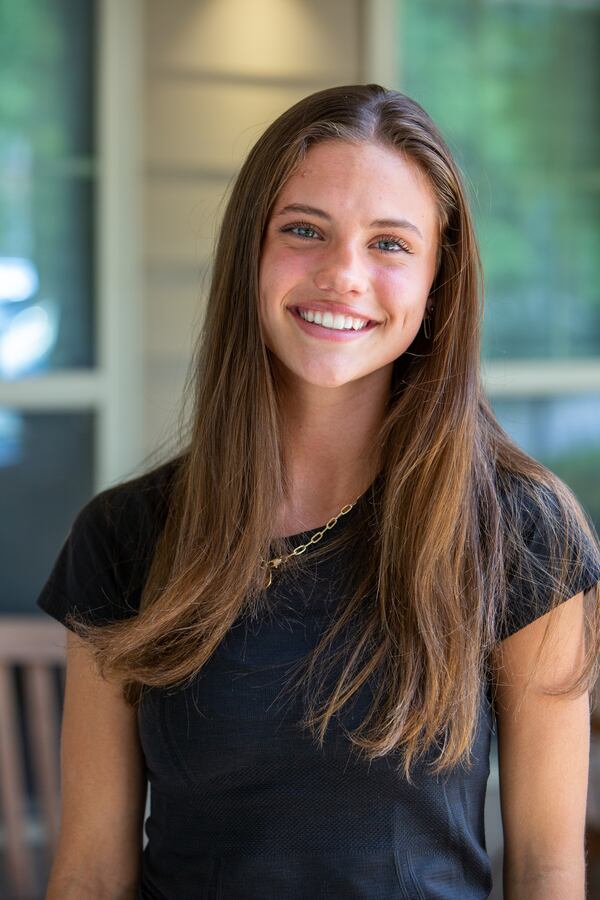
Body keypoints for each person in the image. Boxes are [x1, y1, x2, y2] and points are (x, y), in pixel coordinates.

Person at [38, 84, 600, 900]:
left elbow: (548, 871)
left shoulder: (523, 533)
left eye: (390, 244)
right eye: (305, 231)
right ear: (251, 255)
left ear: (439, 282)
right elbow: (89, 873)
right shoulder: (125, 535)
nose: (343, 274)